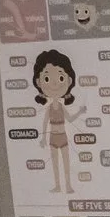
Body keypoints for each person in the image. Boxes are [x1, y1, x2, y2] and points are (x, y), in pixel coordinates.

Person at [32, 49, 77, 193]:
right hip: (53, 137)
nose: (54, 84)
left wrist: (80, 112)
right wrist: (43, 138)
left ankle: (68, 185)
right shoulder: (49, 107)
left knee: (65, 162)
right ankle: (58, 185)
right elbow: (45, 123)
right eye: (46, 79)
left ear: (69, 80)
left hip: (62, 135)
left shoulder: (62, 107)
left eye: (61, 78)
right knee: (55, 164)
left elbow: (70, 118)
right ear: (39, 82)